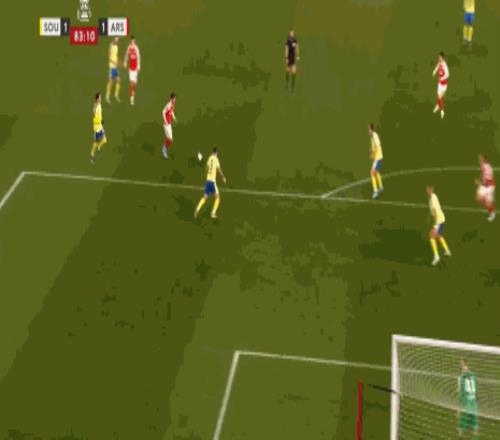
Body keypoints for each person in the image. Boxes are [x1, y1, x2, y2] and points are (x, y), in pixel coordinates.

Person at [194, 147, 227, 219]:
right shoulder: (216, 159)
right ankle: (213, 213)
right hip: (212, 182)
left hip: (208, 181)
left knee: (205, 197)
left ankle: (197, 209)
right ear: (216, 152)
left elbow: (206, 168)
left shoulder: (209, 158)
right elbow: (219, 170)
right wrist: (223, 177)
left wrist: (209, 170)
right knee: (218, 197)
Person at [427, 186, 451, 266]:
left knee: (431, 236)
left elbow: (434, 211)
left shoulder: (432, 199)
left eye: (429, 189)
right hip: (441, 219)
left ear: (432, 189)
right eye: (427, 189)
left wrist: (434, 222)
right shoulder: (433, 196)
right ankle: (447, 251)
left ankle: (436, 256)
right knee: (438, 236)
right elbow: (432, 210)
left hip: (438, 220)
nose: (428, 190)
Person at [458, 359, 479, 439]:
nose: (461, 366)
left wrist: (459, 407)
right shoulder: (473, 375)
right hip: (473, 403)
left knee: (462, 423)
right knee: (474, 423)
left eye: (462, 364)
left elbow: (460, 392)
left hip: (466, 403)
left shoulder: (461, 378)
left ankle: (460, 437)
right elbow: (476, 390)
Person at [476, 154, 496, 222]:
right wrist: (480, 180)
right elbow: (482, 174)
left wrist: (479, 183)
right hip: (484, 184)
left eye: (481, 159)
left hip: (489, 186)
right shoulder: (483, 165)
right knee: (478, 198)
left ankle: (492, 213)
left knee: (488, 204)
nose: (479, 160)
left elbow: (486, 182)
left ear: (485, 159)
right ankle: (488, 202)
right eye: (479, 159)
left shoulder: (487, 168)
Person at [90, 92, 107, 164]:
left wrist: (101, 120)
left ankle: (99, 147)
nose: (101, 98)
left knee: (105, 140)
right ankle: (91, 155)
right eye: (100, 97)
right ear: (97, 98)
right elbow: (94, 113)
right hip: (97, 127)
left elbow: (99, 114)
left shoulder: (99, 104)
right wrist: (97, 120)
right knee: (96, 142)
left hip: (100, 125)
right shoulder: (96, 105)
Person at [124, 36, 141, 106]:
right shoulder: (129, 47)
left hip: (135, 69)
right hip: (131, 69)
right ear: (130, 41)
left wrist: (138, 66)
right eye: (132, 41)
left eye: (133, 41)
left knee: (134, 84)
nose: (132, 42)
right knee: (131, 84)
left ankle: (133, 93)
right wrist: (125, 62)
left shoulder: (136, 48)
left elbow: (138, 57)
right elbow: (126, 55)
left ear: (135, 42)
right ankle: (132, 98)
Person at [432, 52, 449, 119]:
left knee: (441, 98)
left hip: (444, 84)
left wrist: (442, 78)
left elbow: (447, 75)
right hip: (440, 84)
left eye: (440, 57)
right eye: (438, 57)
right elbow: (437, 66)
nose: (439, 58)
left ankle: (438, 106)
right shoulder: (439, 63)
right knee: (439, 97)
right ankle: (442, 111)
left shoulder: (445, 65)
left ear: (443, 58)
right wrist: (434, 71)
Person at [369, 124, 384, 199]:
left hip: (378, 157)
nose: (368, 131)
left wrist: (372, 153)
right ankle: (381, 187)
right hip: (376, 158)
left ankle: (376, 191)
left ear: (372, 130)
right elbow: (374, 148)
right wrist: (372, 153)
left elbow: (377, 147)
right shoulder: (372, 138)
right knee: (376, 172)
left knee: (372, 172)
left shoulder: (375, 136)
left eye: (369, 129)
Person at [106, 37, 121, 103]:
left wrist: (119, 61)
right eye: (116, 39)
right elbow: (109, 57)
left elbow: (115, 56)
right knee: (110, 82)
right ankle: (107, 97)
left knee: (118, 80)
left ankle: (116, 95)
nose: (117, 40)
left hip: (116, 67)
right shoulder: (111, 45)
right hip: (111, 67)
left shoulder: (117, 46)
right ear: (114, 39)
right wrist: (114, 63)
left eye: (118, 40)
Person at [162, 93, 177, 159]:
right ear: (172, 99)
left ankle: (164, 148)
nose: (175, 100)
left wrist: (174, 117)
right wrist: (165, 121)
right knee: (170, 139)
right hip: (166, 125)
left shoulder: (173, 104)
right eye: (174, 99)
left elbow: (171, 111)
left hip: (169, 125)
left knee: (171, 140)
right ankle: (164, 150)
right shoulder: (169, 104)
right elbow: (163, 111)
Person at [285, 29, 300, 93]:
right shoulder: (287, 41)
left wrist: (298, 55)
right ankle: (286, 84)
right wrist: (286, 58)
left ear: (294, 34)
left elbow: (297, 47)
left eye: (292, 33)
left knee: (294, 71)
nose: (292, 34)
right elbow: (286, 49)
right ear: (289, 34)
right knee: (287, 70)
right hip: (289, 57)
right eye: (291, 33)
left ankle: (292, 88)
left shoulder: (295, 40)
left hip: (293, 58)